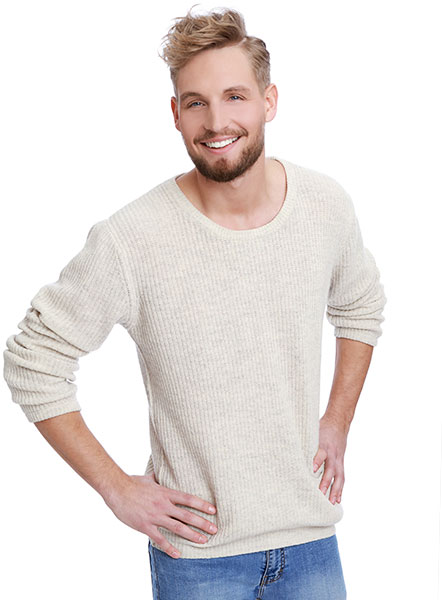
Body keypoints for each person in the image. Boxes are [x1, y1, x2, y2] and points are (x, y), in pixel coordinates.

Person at [3, 5, 387, 599]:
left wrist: (336, 422)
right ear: (175, 114)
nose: (216, 121)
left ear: (269, 101)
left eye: (235, 96)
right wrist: (116, 488)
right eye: (196, 102)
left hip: (312, 539)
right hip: (199, 557)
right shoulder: (131, 240)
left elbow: (360, 304)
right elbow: (33, 359)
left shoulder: (324, 205)